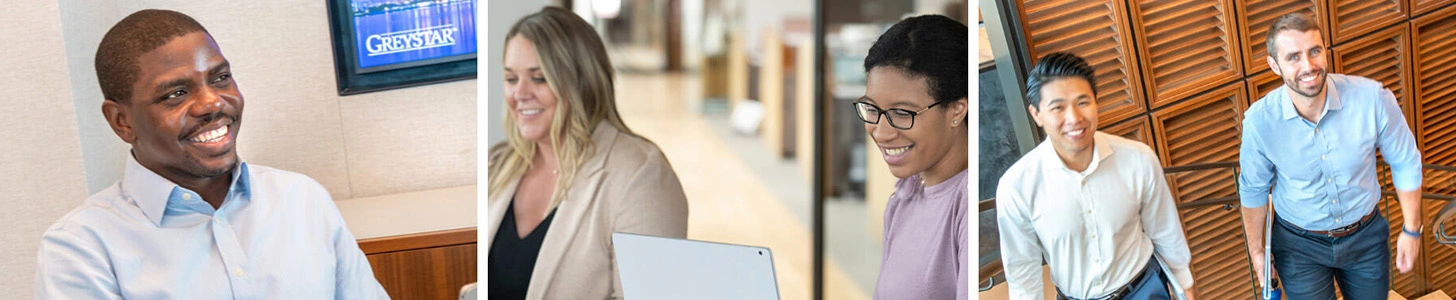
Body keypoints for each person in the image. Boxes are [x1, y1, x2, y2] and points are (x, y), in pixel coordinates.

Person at [35, 10, 387, 299]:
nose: (212, 103)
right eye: (175, 93)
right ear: (122, 121)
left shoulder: (303, 200)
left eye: (220, 78)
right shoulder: (81, 250)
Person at [485, 6, 689, 300]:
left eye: (540, 78)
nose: (520, 94)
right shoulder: (495, 165)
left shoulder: (640, 175)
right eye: (511, 78)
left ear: (582, 81)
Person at [1239, 12, 1423, 299]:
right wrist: (1257, 252)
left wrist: (1412, 230)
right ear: (1274, 65)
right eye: (1294, 57)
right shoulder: (1260, 122)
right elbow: (1253, 191)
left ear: (1326, 51)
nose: (1308, 66)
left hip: (1366, 238)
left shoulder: (1372, 98)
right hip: (1298, 246)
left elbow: (1405, 161)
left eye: (1315, 51)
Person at [996, 52, 1197, 300]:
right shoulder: (1016, 186)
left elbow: (1165, 231)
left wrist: (1185, 286)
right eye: (1058, 107)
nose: (1074, 118)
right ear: (1037, 114)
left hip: (1145, 290)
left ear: (1096, 101)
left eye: (1083, 102)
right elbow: (1023, 275)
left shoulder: (1138, 159)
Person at [856, 14, 969, 300]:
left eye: (901, 113)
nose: (881, 133)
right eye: (872, 109)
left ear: (957, 110)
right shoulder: (905, 194)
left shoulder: (965, 204)